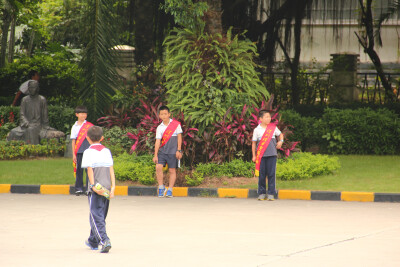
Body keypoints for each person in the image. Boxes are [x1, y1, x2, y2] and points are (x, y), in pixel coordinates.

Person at [81, 126, 115, 253]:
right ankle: (93, 240)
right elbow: (111, 169)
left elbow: (89, 169)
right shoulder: (107, 151)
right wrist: (113, 187)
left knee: (96, 216)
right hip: (106, 187)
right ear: (102, 138)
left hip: (96, 188)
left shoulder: (88, 152)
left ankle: (104, 240)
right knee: (100, 215)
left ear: (87, 138)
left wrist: (93, 185)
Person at [7, 80, 61, 144]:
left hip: (38, 125)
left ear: (37, 88)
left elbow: (45, 117)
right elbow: (22, 115)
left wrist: (44, 126)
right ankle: (13, 151)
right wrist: (26, 123)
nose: (31, 89)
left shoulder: (42, 100)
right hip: (26, 125)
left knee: (31, 130)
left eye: (33, 87)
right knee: (13, 132)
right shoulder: (25, 100)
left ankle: (33, 150)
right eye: (30, 87)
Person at [252, 110, 284, 201]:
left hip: (272, 154)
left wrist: (281, 142)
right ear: (260, 119)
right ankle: (261, 193)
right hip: (261, 156)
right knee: (261, 175)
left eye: (269, 116)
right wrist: (254, 155)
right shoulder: (257, 130)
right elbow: (254, 144)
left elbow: (281, 134)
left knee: (271, 174)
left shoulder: (273, 128)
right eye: (266, 117)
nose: (269, 118)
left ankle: (271, 193)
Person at [152, 105, 183, 197]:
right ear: (160, 116)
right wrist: (155, 155)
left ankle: (170, 190)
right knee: (158, 167)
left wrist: (179, 150)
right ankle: (161, 187)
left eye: (165, 114)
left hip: (173, 152)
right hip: (162, 151)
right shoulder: (159, 127)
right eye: (162, 114)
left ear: (169, 114)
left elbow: (179, 137)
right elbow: (158, 141)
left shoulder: (176, 124)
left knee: (172, 170)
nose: (164, 116)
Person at [70, 106, 93, 195]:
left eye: (85, 114)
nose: (84, 115)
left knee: (89, 170)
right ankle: (78, 188)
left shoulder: (89, 126)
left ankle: (88, 188)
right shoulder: (74, 127)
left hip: (88, 151)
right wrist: (73, 154)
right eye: (82, 114)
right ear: (77, 114)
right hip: (79, 151)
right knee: (79, 169)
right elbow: (73, 141)